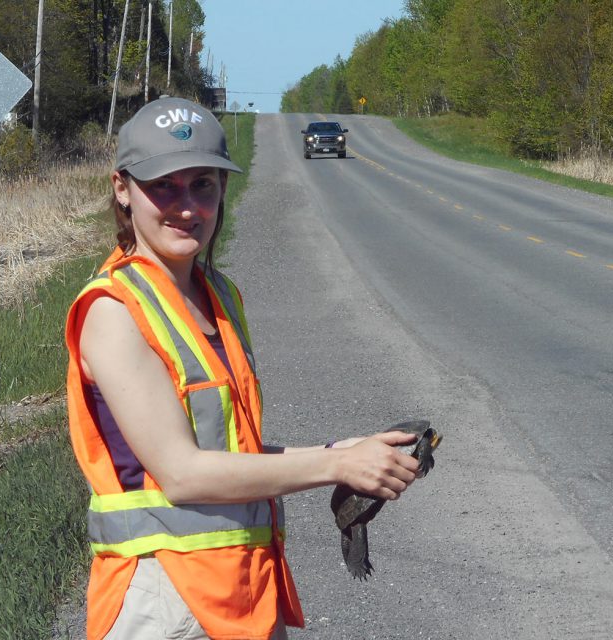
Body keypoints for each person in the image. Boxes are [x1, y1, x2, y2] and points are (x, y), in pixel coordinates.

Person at [64, 96, 421, 640]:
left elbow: (233, 455)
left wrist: (340, 453)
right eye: (164, 186)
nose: (187, 207)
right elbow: (183, 474)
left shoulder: (219, 295)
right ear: (122, 188)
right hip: (164, 601)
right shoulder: (113, 312)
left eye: (203, 184)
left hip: (243, 594)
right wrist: (335, 470)